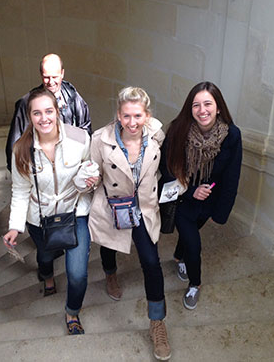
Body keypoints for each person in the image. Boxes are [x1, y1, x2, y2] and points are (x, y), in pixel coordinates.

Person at [2, 87, 98, 335]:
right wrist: (15, 225)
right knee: (45, 257)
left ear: (58, 111)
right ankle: (47, 276)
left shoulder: (80, 138)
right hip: (40, 218)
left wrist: (91, 180)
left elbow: (91, 171)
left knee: (77, 274)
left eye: (48, 111)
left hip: (74, 212)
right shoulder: (20, 150)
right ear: (29, 116)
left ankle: (72, 312)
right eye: (36, 113)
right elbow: (20, 191)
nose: (43, 118)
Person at [88, 87, 171, 360]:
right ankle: (110, 274)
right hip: (114, 206)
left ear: (146, 115)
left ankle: (157, 323)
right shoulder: (100, 140)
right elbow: (93, 175)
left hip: (143, 209)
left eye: (137, 116)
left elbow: (162, 168)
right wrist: (87, 181)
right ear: (118, 115)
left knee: (151, 262)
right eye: (126, 116)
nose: (132, 122)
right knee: (109, 246)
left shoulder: (157, 136)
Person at [160, 81, 242, 311]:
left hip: (210, 200)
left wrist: (221, 212)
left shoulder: (231, 135)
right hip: (183, 198)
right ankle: (195, 283)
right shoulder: (178, 129)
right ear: (190, 108)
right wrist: (189, 188)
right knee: (194, 246)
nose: (202, 110)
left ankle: (178, 256)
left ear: (218, 107)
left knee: (190, 235)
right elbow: (166, 166)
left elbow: (232, 175)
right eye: (196, 105)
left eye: (208, 104)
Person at [5, 53, 92, 171]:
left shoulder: (74, 98)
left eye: (55, 77)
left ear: (62, 73)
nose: (51, 82)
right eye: (46, 77)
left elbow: (85, 132)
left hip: (70, 166)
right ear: (41, 74)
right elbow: (15, 144)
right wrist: (19, 172)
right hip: (41, 168)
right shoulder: (26, 103)